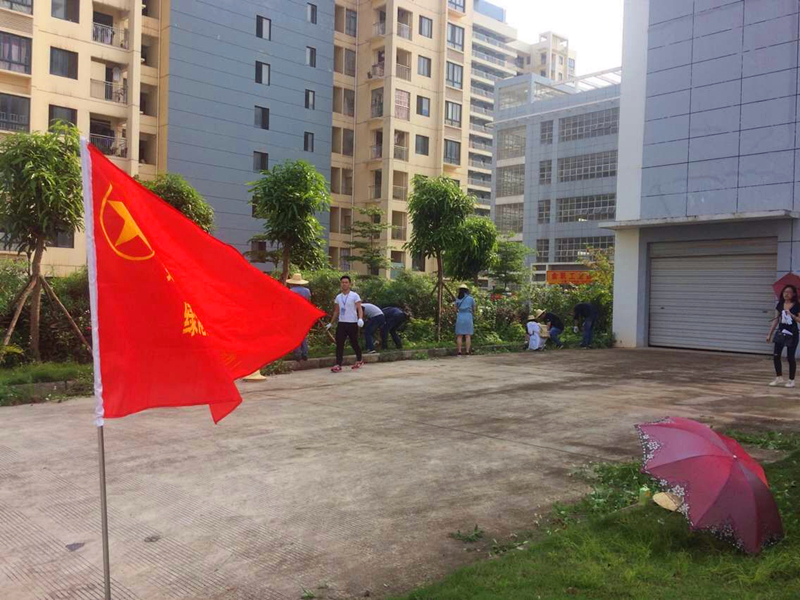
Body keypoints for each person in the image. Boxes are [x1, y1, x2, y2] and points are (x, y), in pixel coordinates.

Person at [327, 275, 364, 372]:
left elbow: (359, 308)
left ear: (350, 284)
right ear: (340, 284)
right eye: (342, 282)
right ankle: (338, 364)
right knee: (339, 343)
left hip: (352, 323)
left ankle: (359, 359)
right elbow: (336, 311)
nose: (344, 284)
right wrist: (331, 323)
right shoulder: (338, 297)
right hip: (342, 323)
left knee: (354, 342)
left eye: (346, 282)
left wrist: (360, 318)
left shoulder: (354, 295)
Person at [767, 284, 800, 388]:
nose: (786, 294)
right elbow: (776, 320)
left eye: (789, 292)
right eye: (785, 291)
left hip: (792, 334)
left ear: (794, 294)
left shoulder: (797, 305)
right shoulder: (780, 304)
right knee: (776, 355)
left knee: (790, 357)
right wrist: (769, 334)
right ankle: (779, 377)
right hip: (781, 333)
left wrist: (792, 315)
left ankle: (791, 380)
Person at [286, 272, 311, 360]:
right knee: (303, 334)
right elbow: (309, 302)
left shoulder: (291, 291)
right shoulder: (307, 291)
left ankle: (297, 353)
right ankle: (305, 352)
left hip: (294, 315)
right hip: (304, 315)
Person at [455, 284, 475, 356]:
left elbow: (455, 309)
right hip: (468, 316)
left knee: (459, 335)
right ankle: (467, 351)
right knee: (467, 335)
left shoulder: (457, 299)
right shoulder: (471, 299)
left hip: (460, 316)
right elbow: (474, 309)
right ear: (467, 290)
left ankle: (459, 351)